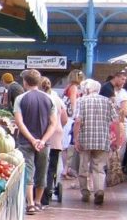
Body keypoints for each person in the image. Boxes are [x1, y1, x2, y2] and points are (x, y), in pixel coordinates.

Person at [13, 69, 58, 214]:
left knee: (28, 171)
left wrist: (32, 139)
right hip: (44, 143)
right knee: (42, 171)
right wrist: (43, 140)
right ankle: (38, 202)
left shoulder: (21, 99)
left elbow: (19, 122)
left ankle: (30, 203)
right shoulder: (49, 98)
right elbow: (53, 123)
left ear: (25, 82)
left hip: (26, 142)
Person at [73, 78, 117, 206]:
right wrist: (116, 139)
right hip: (102, 140)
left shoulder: (82, 101)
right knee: (99, 168)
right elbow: (115, 121)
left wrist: (76, 139)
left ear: (87, 89)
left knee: (83, 167)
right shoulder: (107, 101)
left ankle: (85, 192)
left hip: (85, 140)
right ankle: (99, 191)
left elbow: (77, 121)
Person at [38, 77, 68, 206]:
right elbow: (65, 119)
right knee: (52, 166)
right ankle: (48, 190)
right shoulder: (58, 99)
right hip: (56, 133)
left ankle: (39, 192)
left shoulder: (39, 98)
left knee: (40, 164)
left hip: (41, 133)